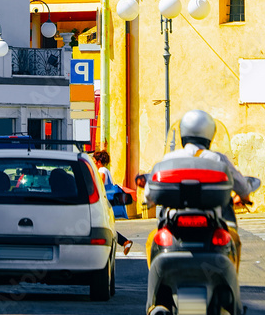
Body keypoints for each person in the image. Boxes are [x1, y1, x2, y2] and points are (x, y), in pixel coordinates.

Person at [143, 109, 251, 268]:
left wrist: (149, 201)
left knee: (152, 240)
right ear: (210, 134)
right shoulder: (218, 159)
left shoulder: (168, 159)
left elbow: (148, 193)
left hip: (174, 224)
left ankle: (155, 287)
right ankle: (231, 286)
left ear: (182, 133)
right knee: (233, 239)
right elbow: (242, 187)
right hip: (210, 222)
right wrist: (245, 195)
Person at [92, 150, 133, 256]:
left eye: (94, 160)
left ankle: (123, 242)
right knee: (106, 225)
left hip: (104, 202)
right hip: (107, 202)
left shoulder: (102, 170)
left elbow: (99, 184)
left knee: (103, 226)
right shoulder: (106, 170)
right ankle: (124, 242)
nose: (93, 162)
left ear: (98, 161)